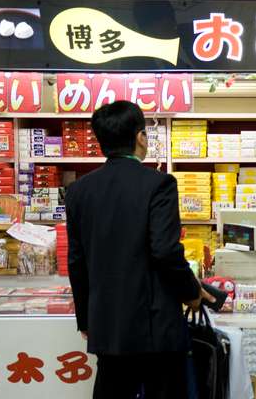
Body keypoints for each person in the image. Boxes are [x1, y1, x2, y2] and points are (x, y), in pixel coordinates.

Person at [66, 101, 213, 399]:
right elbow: (165, 252)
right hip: (154, 326)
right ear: (140, 137)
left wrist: (86, 319)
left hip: (107, 324)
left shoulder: (79, 190)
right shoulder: (159, 184)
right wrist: (192, 293)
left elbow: (77, 261)